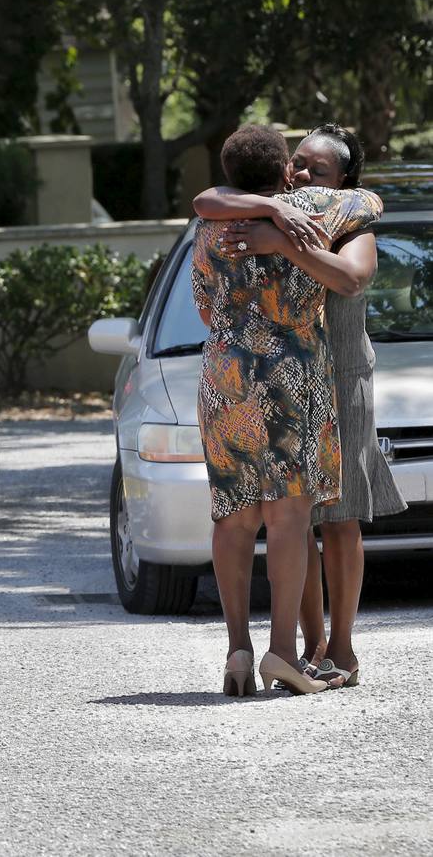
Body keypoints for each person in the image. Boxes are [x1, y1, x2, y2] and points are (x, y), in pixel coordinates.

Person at [195, 124, 405, 690]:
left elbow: (204, 302)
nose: (308, 175)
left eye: (320, 168)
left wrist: (278, 237)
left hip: (228, 373)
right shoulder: (321, 211)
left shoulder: (212, 224)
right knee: (292, 517)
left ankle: (255, 650)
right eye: (301, 165)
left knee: (242, 516)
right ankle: (286, 651)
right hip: (295, 373)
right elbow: (366, 203)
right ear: (285, 168)